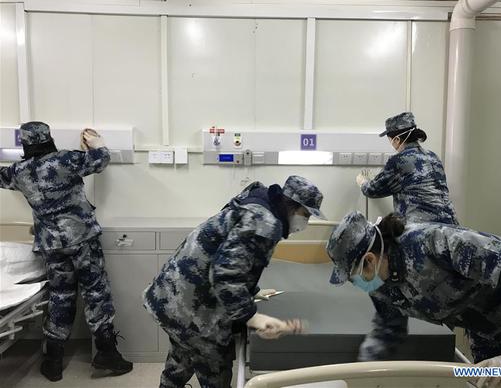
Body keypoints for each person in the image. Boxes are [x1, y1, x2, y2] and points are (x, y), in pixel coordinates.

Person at [326, 211, 501, 388]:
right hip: (489, 329)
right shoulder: (381, 288)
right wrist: (358, 376)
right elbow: (387, 330)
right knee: (489, 382)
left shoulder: (433, 243)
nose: (354, 284)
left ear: (369, 260)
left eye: (352, 277)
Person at [143, 175, 325, 388]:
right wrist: (252, 317)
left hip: (173, 297)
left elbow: (237, 259)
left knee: (181, 360)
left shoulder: (257, 202)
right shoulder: (264, 223)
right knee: (215, 372)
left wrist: (251, 291)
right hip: (195, 311)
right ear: (292, 206)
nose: (306, 222)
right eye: (306, 215)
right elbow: (226, 273)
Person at [0, 122, 132, 381]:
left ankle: (53, 360)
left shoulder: (18, 172)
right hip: (82, 239)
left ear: (24, 143)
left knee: (61, 295)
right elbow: (100, 161)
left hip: (51, 245)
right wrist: (97, 143)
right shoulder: (67, 159)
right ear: (48, 137)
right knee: (96, 292)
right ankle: (106, 353)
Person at [356, 111, 458, 225]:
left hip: (422, 230)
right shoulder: (433, 156)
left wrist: (363, 181)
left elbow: (372, 190)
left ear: (397, 140)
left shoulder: (399, 161)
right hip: (450, 225)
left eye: (389, 139)